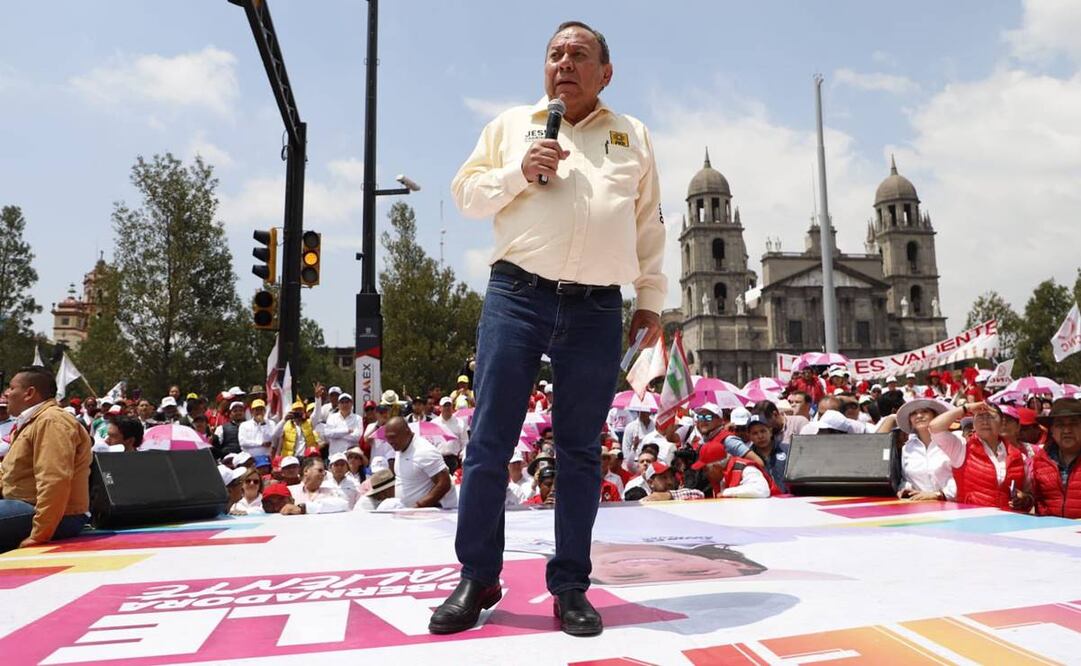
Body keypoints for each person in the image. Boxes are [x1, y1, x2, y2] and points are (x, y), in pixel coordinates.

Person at [433, 20, 665, 638]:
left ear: (605, 72)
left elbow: (649, 228)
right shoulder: (512, 126)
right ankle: (478, 576)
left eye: (579, 55)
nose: (564, 63)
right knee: (488, 442)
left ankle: (570, 586)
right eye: (555, 54)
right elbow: (466, 195)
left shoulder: (632, 135)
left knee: (581, 451)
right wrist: (517, 172)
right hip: (517, 296)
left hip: (597, 309)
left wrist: (650, 301)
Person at [0, 367, 93, 552]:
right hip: (30, 508)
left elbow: (54, 480)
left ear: (29, 393)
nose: (6, 394)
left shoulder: (50, 421)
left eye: (11, 388)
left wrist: (40, 533)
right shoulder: (32, 422)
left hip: (59, 516)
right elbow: (8, 473)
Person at [928, 402, 1030, 511]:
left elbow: (1029, 494)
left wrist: (1025, 499)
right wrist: (966, 407)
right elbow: (934, 427)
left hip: (1009, 522)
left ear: (1001, 424)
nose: (985, 421)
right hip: (971, 520)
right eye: (980, 416)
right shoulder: (961, 448)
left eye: (990, 417)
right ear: (973, 424)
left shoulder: (1019, 457)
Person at [885, 398, 955, 501]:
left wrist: (939, 494)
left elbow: (964, 476)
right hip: (920, 509)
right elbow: (906, 479)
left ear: (935, 416)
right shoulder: (907, 448)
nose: (919, 416)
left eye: (924, 411)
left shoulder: (954, 441)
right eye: (913, 413)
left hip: (955, 506)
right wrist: (906, 488)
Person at [383, 417, 453, 509]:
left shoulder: (424, 451)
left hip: (423, 515)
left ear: (407, 431)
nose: (390, 442)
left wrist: (419, 506)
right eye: (387, 438)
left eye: (393, 437)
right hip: (405, 513)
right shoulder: (400, 448)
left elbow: (444, 483)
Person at [1029, 398, 1081, 518]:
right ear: (1052, 430)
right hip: (1049, 533)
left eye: (1073, 424)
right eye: (1060, 425)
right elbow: (1037, 500)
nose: (1067, 430)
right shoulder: (1040, 461)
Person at [692, 437, 776, 498]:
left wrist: (727, 492)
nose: (705, 474)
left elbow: (762, 490)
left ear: (716, 467)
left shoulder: (746, 469)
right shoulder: (720, 478)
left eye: (705, 470)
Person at [745, 413, 789, 493]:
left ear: (770, 431)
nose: (760, 436)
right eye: (755, 433)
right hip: (762, 502)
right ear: (749, 436)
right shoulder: (747, 457)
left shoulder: (787, 450)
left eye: (763, 431)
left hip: (789, 500)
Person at [640, 461, 704, 502]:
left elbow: (699, 494)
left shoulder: (679, 497)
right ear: (650, 482)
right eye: (664, 478)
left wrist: (670, 495)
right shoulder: (645, 502)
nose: (670, 482)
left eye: (671, 477)